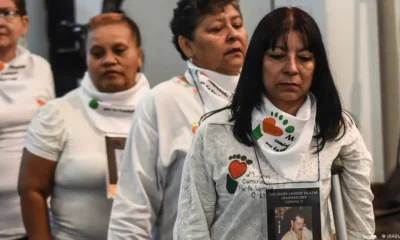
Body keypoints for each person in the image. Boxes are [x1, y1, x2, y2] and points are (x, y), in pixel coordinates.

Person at [174, 7, 375, 239]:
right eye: (278, 56)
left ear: (316, 66)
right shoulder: (216, 131)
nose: (291, 68)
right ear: (257, 62)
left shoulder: (336, 128)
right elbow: (191, 226)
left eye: (304, 58)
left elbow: (360, 227)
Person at [107, 0, 248, 239]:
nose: (233, 35)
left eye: (237, 24)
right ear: (187, 46)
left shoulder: (269, 96)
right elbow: (132, 212)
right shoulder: (163, 102)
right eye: (216, 29)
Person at [18, 13, 149, 240]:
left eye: (119, 50)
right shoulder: (57, 113)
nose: (108, 60)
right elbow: (32, 190)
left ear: (139, 56)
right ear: (86, 59)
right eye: (97, 53)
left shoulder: (160, 111)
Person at [0, 0, 55, 239]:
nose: (0, 21)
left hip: (35, 219)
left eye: (7, 13)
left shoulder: (41, 68)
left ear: (24, 23)